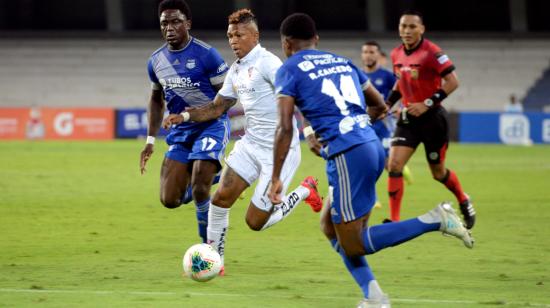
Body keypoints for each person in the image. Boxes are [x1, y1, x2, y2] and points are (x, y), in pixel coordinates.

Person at [270, 13, 473, 307]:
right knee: (329, 226)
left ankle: (435, 220)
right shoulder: (342, 61)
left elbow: (285, 127)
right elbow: (379, 104)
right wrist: (352, 126)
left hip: (347, 155)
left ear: (286, 43)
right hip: (371, 147)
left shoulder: (288, 68)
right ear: (316, 40)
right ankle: (374, 296)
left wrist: (277, 178)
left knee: (353, 242)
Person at [163, 9, 323, 274]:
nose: (233, 40)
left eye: (239, 35)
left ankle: (305, 189)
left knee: (255, 221)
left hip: (280, 150)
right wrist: (185, 115)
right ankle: (215, 261)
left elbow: (300, 95)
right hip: (251, 145)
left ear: (255, 35)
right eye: (230, 36)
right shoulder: (236, 70)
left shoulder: (268, 63)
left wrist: (308, 131)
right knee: (219, 200)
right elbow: (217, 107)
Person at [139, 0, 229, 243]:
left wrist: (204, 113)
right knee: (169, 200)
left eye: (176, 21)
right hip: (181, 131)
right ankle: (220, 175)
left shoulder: (207, 55)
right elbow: (156, 101)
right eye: (164, 23)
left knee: (200, 187)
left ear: (188, 24)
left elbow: (228, 96)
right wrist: (150, 140)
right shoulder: (155, 62)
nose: (170, 27)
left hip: (211, 125)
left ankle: (209, 249)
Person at [385, 10, 476, 228]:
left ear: (421, 29)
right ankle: (394, 221)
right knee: (394, 164)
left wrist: (426, 104)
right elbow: (400, 82)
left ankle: (463, 199)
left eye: (412, 27)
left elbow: (453, 81)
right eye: (403, 26)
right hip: (408, 119)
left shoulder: (432, 53)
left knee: (438, 172)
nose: (406, 31)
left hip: (433, 120)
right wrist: (387, 104)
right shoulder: (396, 54)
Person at [360, 41, 414, 205]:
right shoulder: (358, 76)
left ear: (378, 55)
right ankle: (372, 197)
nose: (368, 55)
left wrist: (403, 108)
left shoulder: (387, 76)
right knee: (367, 161)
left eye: (371, 52)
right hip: (366, 124)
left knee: (384, 161)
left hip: (383, 125)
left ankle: (398, 167)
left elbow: (404, 91)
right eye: (365, 52)